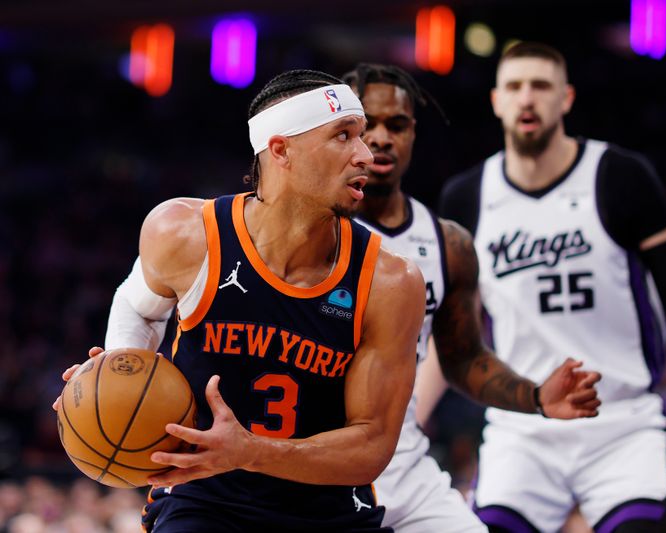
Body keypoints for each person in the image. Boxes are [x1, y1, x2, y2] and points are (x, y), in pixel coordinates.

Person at [54, 69, 427, 532]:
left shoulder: (391, 282)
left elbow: (371, 447)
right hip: (202, 499)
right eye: (344, 136)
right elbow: (136, 304)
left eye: (362, 137)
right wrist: (119, 368)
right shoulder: (185, 233)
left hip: (327, 511)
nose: (366, 154)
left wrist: (250, 451)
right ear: (281, 149)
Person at [438, 42, 666, 533]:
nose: (527, 99)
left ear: (566, 98)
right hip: (523, 425)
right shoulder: (466, 198)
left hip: (622, 422)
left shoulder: (621, 176)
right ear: (496, 100)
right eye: (515, 86)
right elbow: (454, 338)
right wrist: (407, 421)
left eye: (541, 86)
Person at [342, 63, 602, 532]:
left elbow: (464, 358)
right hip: (318, 462)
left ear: (412, 134)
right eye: (365, 126)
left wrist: (537, 395)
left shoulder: (449, 244)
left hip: (404, 465)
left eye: (395, 125)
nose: (380, 138)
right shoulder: (314, 230)